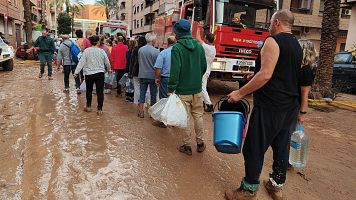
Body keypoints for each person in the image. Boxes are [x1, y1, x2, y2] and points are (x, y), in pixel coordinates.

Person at [225, 10, 302, 200]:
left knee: (253, 147)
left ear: (276, 22)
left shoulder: (272, 41)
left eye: (270, 22)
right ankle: (276, 186)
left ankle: (248, 189)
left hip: (270, 106)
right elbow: (281, 73)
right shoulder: (297, 45)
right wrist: (254, 75)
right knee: (281, 148)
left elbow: (266, 74)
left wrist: (239, 92)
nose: (268, 25)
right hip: (290, 107)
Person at [168, 19, 207, 155]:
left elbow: (175, 71)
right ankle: (200, 143)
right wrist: (196, 79)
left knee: (185, 118)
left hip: (182, 90)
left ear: (177, 33)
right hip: (197, 89)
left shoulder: (177, 48)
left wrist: (170, 89)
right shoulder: (199, 46)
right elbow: (204, 67)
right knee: (198, 116)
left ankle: (187, 145)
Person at [74, 35, 112, 115]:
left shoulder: (87, 51)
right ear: (98, 42)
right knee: (100, 91)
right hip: (100, 73)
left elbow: (81, 62)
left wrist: (76, 72)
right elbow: (107, 61)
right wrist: (109, 69)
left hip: (89, 74)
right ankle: (99, 109)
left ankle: (88, 107)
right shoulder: (101, 51)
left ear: (90, 42)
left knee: (89, 90)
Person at [137, 33, 160, 118]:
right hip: (152, 75)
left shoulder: (140, 50)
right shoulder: (156, 51)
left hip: (142, 74)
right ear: (153, 40)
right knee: (153, 94)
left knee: (142, 93)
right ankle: (152, 113)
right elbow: (157, 65)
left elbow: (139, 62)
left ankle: (141, 111)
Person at [196, 25, 216, 112]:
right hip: (207, 70)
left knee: (203, 88)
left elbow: (197, 38)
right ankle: (204, 103)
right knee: (202, 87)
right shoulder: (213, 48)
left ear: (207, 40)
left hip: (204, 70)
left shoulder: (207, 47)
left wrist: (197, 27)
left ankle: (209, 104)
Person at [297, 39, 317, 124]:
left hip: (295, 107)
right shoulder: (298, 67)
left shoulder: (306, 70)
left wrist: (302, 114)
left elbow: (305, 94)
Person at [129, 36, 147, 105]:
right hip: (144, 72)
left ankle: (136, 102)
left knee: (136, 87)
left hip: (136, 71)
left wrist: (130, 72)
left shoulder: (135, 49)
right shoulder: (145, 49)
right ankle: (143, 102)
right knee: (144, 88)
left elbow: (132, 61)